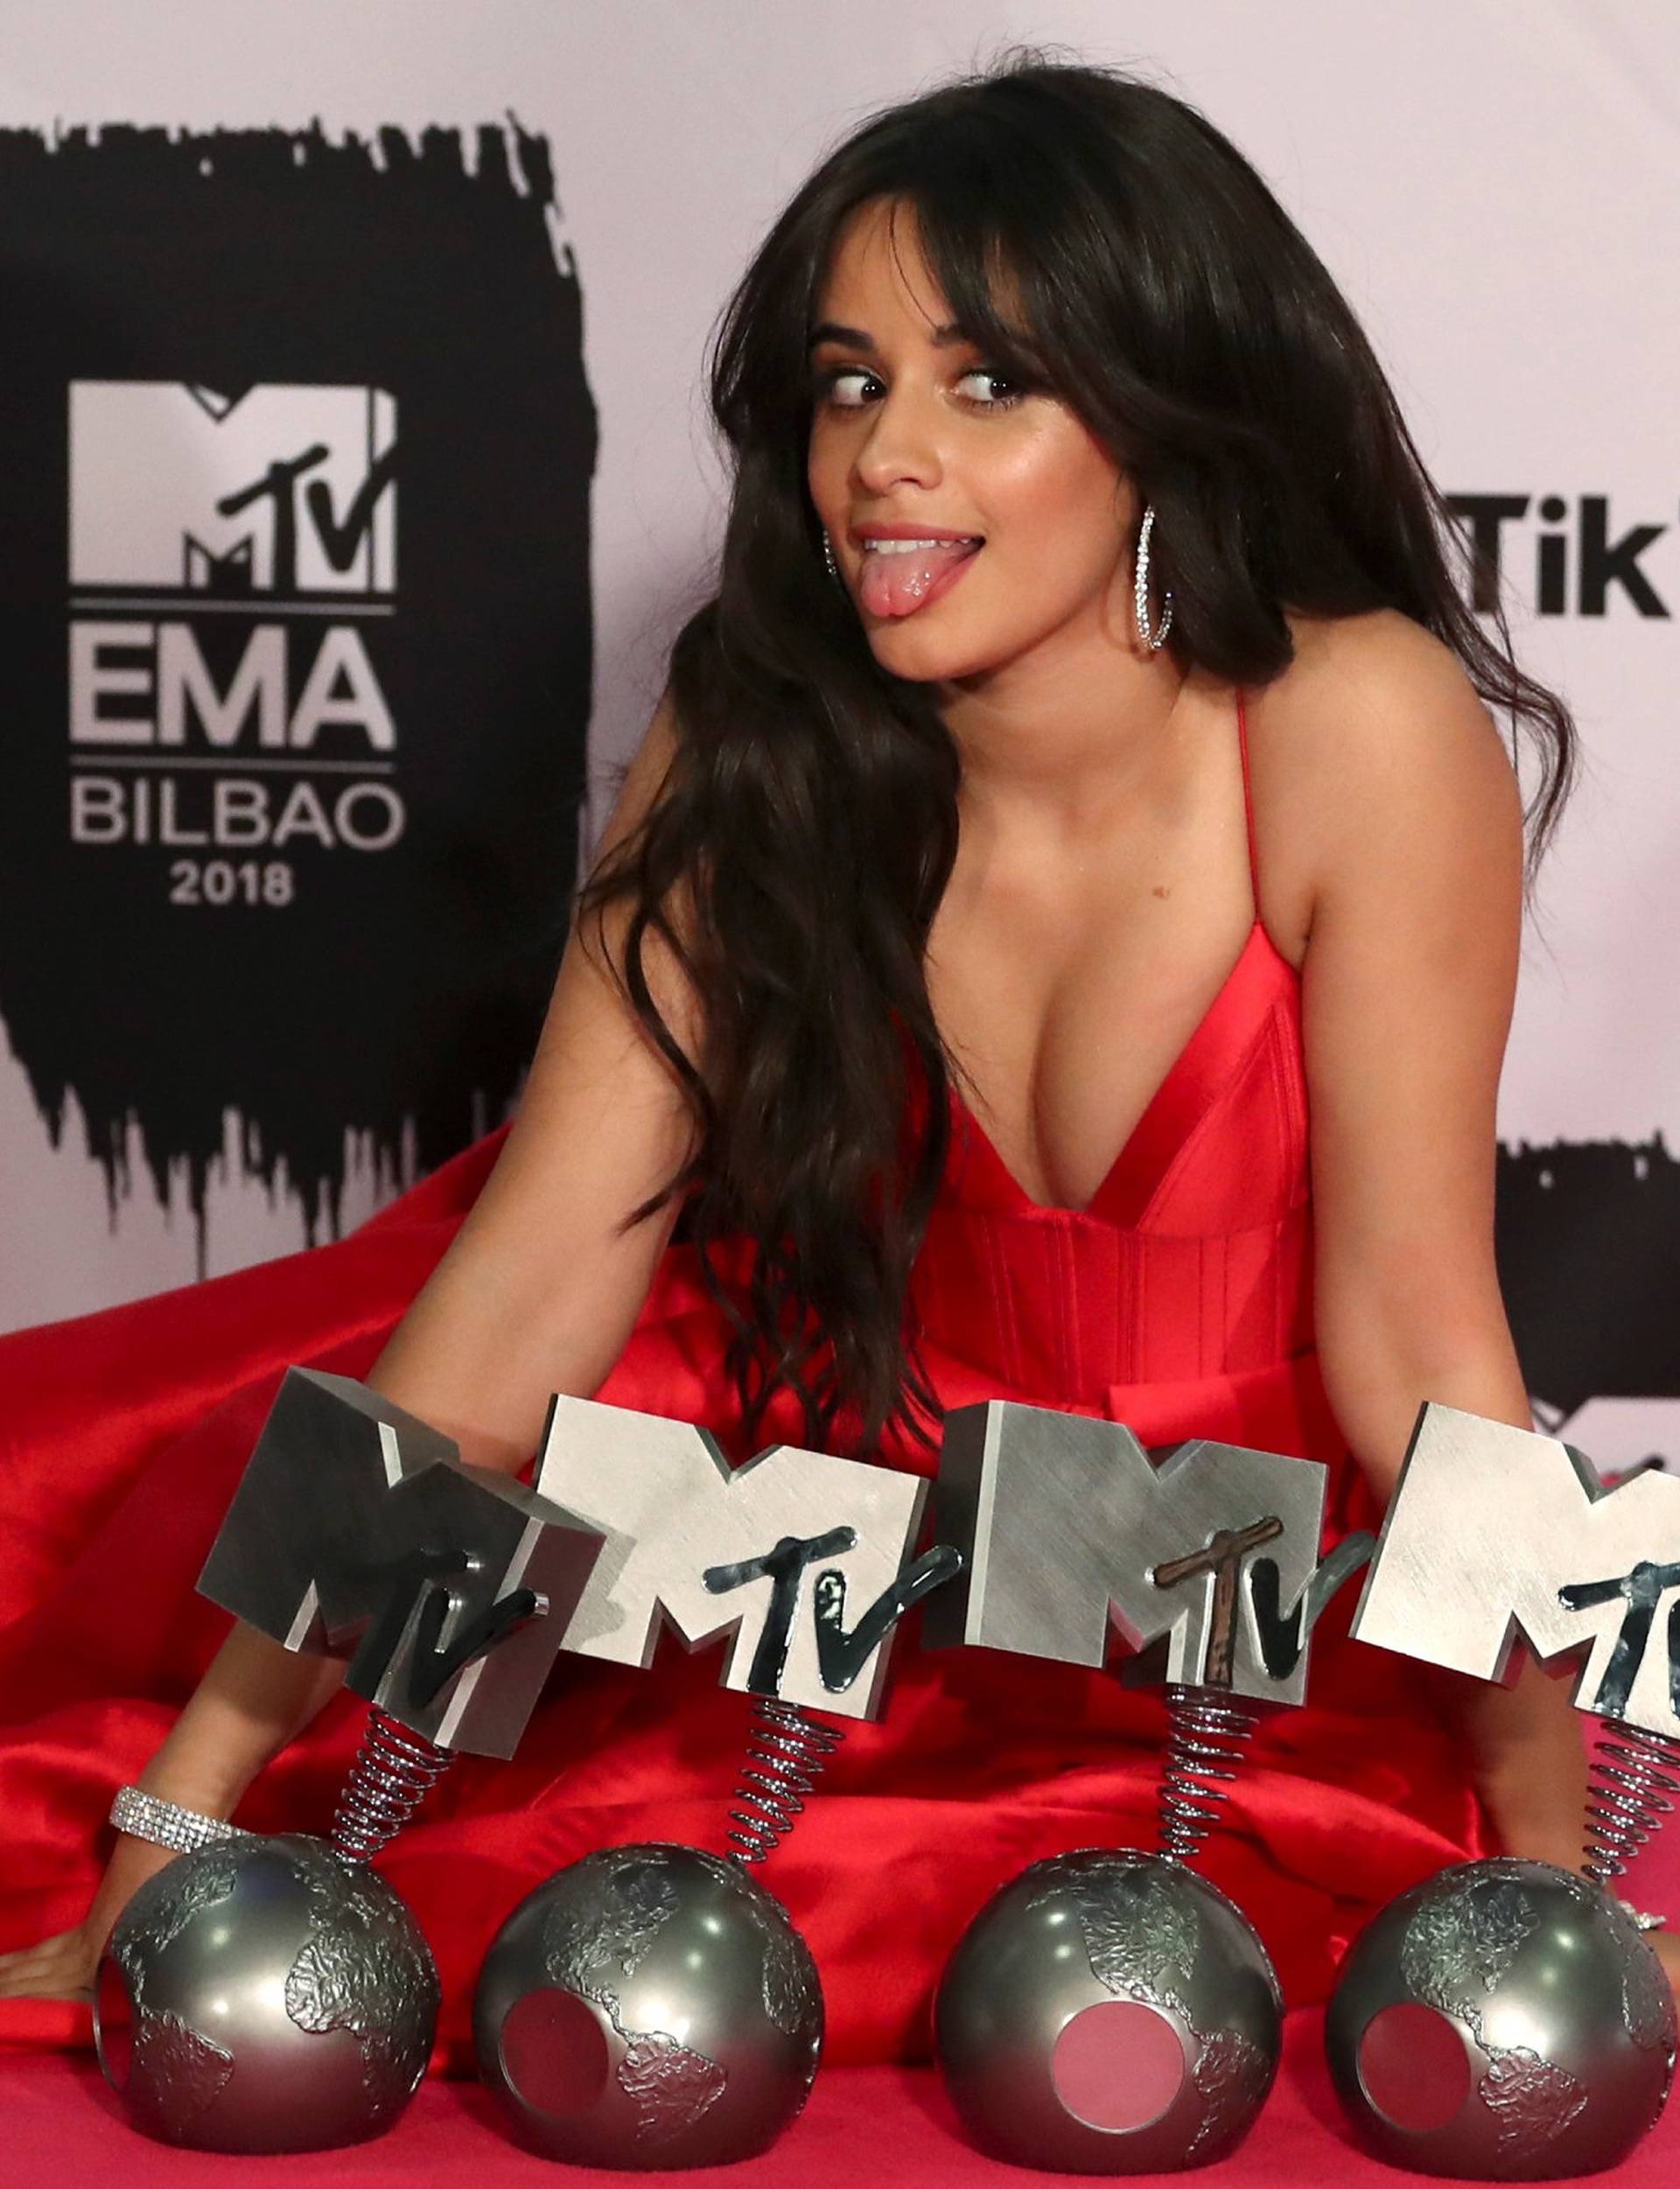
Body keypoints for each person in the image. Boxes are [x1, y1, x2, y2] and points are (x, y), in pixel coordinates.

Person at [1, 54, 1668, 2064]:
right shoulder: (762, 722)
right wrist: (185, 1814)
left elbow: (1419, 1351)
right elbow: (533, 1281)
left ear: (1159, 420)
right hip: (856, 1572)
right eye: (850, 381)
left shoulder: (1355, 725)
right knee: (584, 1934)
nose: (884, 456)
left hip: (1243, 1627)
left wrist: (1556, 1882)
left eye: (987, 385)